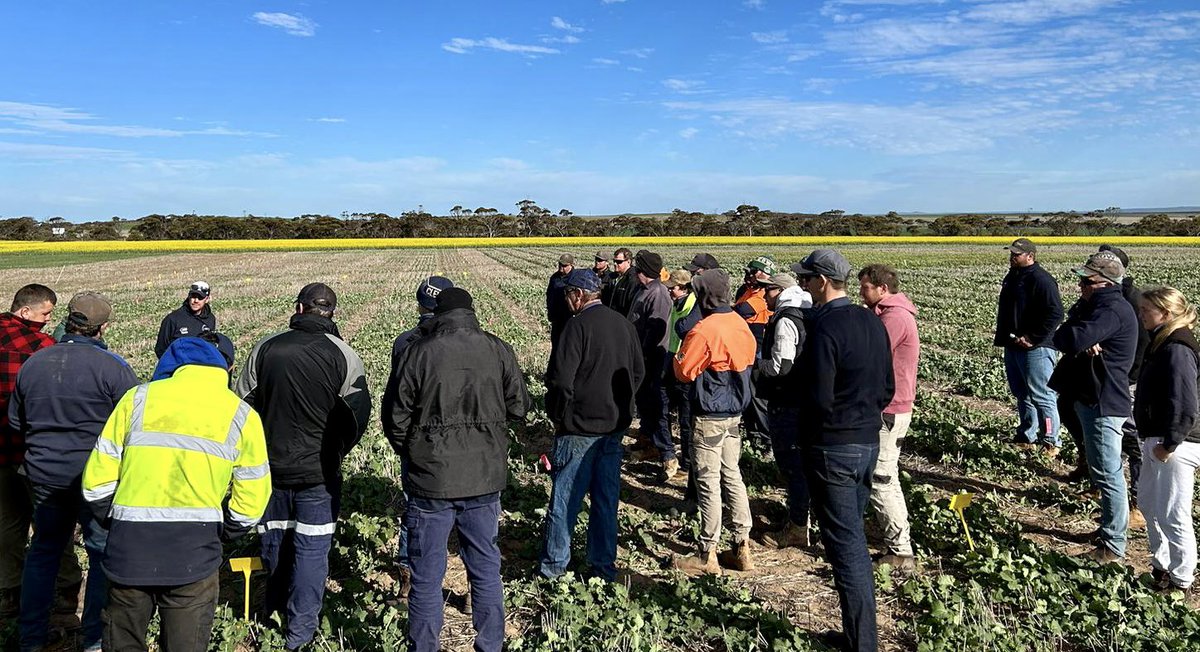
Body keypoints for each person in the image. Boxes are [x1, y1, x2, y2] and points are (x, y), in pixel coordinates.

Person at [82, 336, 270, 652]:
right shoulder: (240, 414)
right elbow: (253, 494)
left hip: (130, 551)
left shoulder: (136, 400)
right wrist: (228, 531)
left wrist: (117, 522)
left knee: (123, 641)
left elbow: (95, 484)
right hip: (194, 555)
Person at [382, 287, 530, 652]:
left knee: (427, 575)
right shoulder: (498, 349)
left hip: (430, 480)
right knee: (484, 568)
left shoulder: (418, 352)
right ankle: (491, 644)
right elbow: (520, 407)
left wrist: (416, 451)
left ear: (436, 313)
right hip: (484, 476)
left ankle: (424, 646)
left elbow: (395, 417)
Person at [235, 282, 371, 650]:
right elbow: (358, 417)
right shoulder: (344, 355)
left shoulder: (266, 348)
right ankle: (300, 632)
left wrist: (256, 451)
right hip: (320, 474)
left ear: (298, 308)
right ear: (332, 313)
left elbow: (241, 406)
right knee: (312, 552)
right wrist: (336, 452)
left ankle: (272, 612)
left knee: (275, 540)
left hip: (271, 469)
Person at [9, 291, 138, 652]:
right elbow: (133, 425)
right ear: (103, 327)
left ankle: (30, 637)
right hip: (94, 479)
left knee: (44, 549)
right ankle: (94, 639)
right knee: (99, 552)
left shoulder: (34, 363)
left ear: (68, 320)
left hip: (43, 476)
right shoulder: (114, 368)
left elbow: (16, 421)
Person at [793, 249, 894, 652]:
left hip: (833, 445)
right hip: (867, 441)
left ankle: (862, 643)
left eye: (806, 279)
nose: (803, 285)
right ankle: (857, 635)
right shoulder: (872, 322)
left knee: (847, 546)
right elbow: (888, 386)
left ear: (822, 281)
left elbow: (818, 396)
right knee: (851, 538)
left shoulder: (826, 327)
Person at [540, 270, 644, 581]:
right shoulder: (623, 324)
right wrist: (622, 411)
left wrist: (558, 417)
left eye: (568, 295)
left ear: (578, 295)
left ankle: (554, 569)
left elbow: (560, 382)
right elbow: (637, 373)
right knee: (606, 500)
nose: (567, 301)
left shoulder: (576, 327)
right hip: (613, 430)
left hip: (578, 430)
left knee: (565, 501)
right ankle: (603, 566)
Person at [1049, 251, 1138, 563]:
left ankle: (1113, 544)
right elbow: (1061, 335)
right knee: (1103, 470)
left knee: (1107, 473)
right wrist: (1077, 333)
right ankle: (1108, 532)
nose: (1080, 286)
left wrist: (1078, 336)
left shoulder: (1110, 310)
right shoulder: (1097, 307)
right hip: (1092, 396)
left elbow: (1069, 340)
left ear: (1104, 283)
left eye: (1085, 281)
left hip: (1102, 400)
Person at [0, 285, 82, 620]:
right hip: (34, 450)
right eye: (46, 314)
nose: (49, 321)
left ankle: (8, 594)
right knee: (52, 523)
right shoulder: (44, 348)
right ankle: (66, 593)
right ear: (25, 312)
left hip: (1, 452)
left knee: (7, 525)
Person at [672, 269, 757, 575]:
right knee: (732, 475)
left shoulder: (704, 330)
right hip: (735, 413)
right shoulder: (740, 323)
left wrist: (679, 357)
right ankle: (741, 546)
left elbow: (684, 371)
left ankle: (707, 552)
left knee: (708, 481)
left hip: (708, 415)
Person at [387, 275, 453, 599]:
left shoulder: (404, 342)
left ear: (419, 304)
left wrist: (402, 441)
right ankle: (466, 581)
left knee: (414, 504)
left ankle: (408, 574)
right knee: (462, 507)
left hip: (416, 439)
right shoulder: (462, 340)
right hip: (454, 440)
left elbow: (395, 400)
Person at [1133, 287, 1200, 592]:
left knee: (1174, 512)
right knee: (1149, 504)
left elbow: (1185, 402)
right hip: (1157, 436)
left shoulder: (1177, 348)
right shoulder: (1162, 341)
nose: (1141, 314)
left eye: (1147, 310)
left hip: (1177, 444)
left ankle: (1181, 579)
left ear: (1166, 313)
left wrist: (1170, 444)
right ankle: (1161, 566)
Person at [859, 264, 921, 571]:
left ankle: (901, 551)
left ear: (883, 289)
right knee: (884, 474)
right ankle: (895, 538)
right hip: (886, 405)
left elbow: (868, 352)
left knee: (882, 477)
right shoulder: (884, 313)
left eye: (866, 287)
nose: (861, 292)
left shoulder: (894, 318)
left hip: (891, 407)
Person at [756, 273, 813, 549]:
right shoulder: (807, 311)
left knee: (792, 466)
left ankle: (798, 526)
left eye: (768, 290)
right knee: (800, 465)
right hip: (803, 399)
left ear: (779, 291)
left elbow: (781, 366)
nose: (764, 295)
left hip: (786, 400)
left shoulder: (785, 320)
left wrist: (756, 366)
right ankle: (799, 518)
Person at [995, 238, 1064, 454]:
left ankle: (1051, 441)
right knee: (1022, 393)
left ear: (1030, 256)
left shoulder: (1041, 280)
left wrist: (1032, 337)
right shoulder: (1013, 276)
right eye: (1011, 253)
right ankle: (1027, 434)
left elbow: (1056, 313)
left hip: (1037, 348)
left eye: (1017, 254)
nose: (1012, 257)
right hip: (1014, 344)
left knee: (1042, 395)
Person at [628, 250, 675, 478]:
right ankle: (648, 442)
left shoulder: (658, 293)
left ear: (643, 270)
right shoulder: (643, 289)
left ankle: (667, 453)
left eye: (637, 267)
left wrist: (642, 354)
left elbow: (656, 330)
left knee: (655, 405)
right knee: (645, 402)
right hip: (641, 356)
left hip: (651, 358)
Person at [666, 269, 702, 486]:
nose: (670, 291)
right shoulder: (679, 303)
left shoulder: (693, 306)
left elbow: (684, 328)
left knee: (687, 419)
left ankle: (688, 466)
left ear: (685, 288)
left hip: (688, 367)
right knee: (679, 415)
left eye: (673, 288)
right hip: (675, 361)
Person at [735, 256, 775, 447]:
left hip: (756, 351)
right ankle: (753, 434)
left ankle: (766, 439)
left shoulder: (761, 296)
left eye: (751, 273)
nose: (747, 276)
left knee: (757, 397)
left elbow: (741, 310)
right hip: (744, 348)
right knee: (747, 395)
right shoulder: (747, 291)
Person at [154, 281, 216, 358]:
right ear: (189, 296)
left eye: (200, 297)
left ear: (207, 299)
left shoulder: (210, 319)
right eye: (193, 296)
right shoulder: (172, 319)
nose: (196, 300)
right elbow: (160, 349)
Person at [546, 254, 576, 358]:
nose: (561, 268)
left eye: (564, 266)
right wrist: (550, 312)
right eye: (560, 265)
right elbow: (549, 295)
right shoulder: (554, 277)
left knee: (568, 346)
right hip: (557, 318)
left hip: (570, 318)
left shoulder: (576, 278)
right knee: (556, 344)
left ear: (571, 265)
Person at [605, 248, 640, 316]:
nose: (615, 264)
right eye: (614, 261)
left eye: (619, 262)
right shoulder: (613, 277)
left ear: (628, 262)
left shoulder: (633, 279)